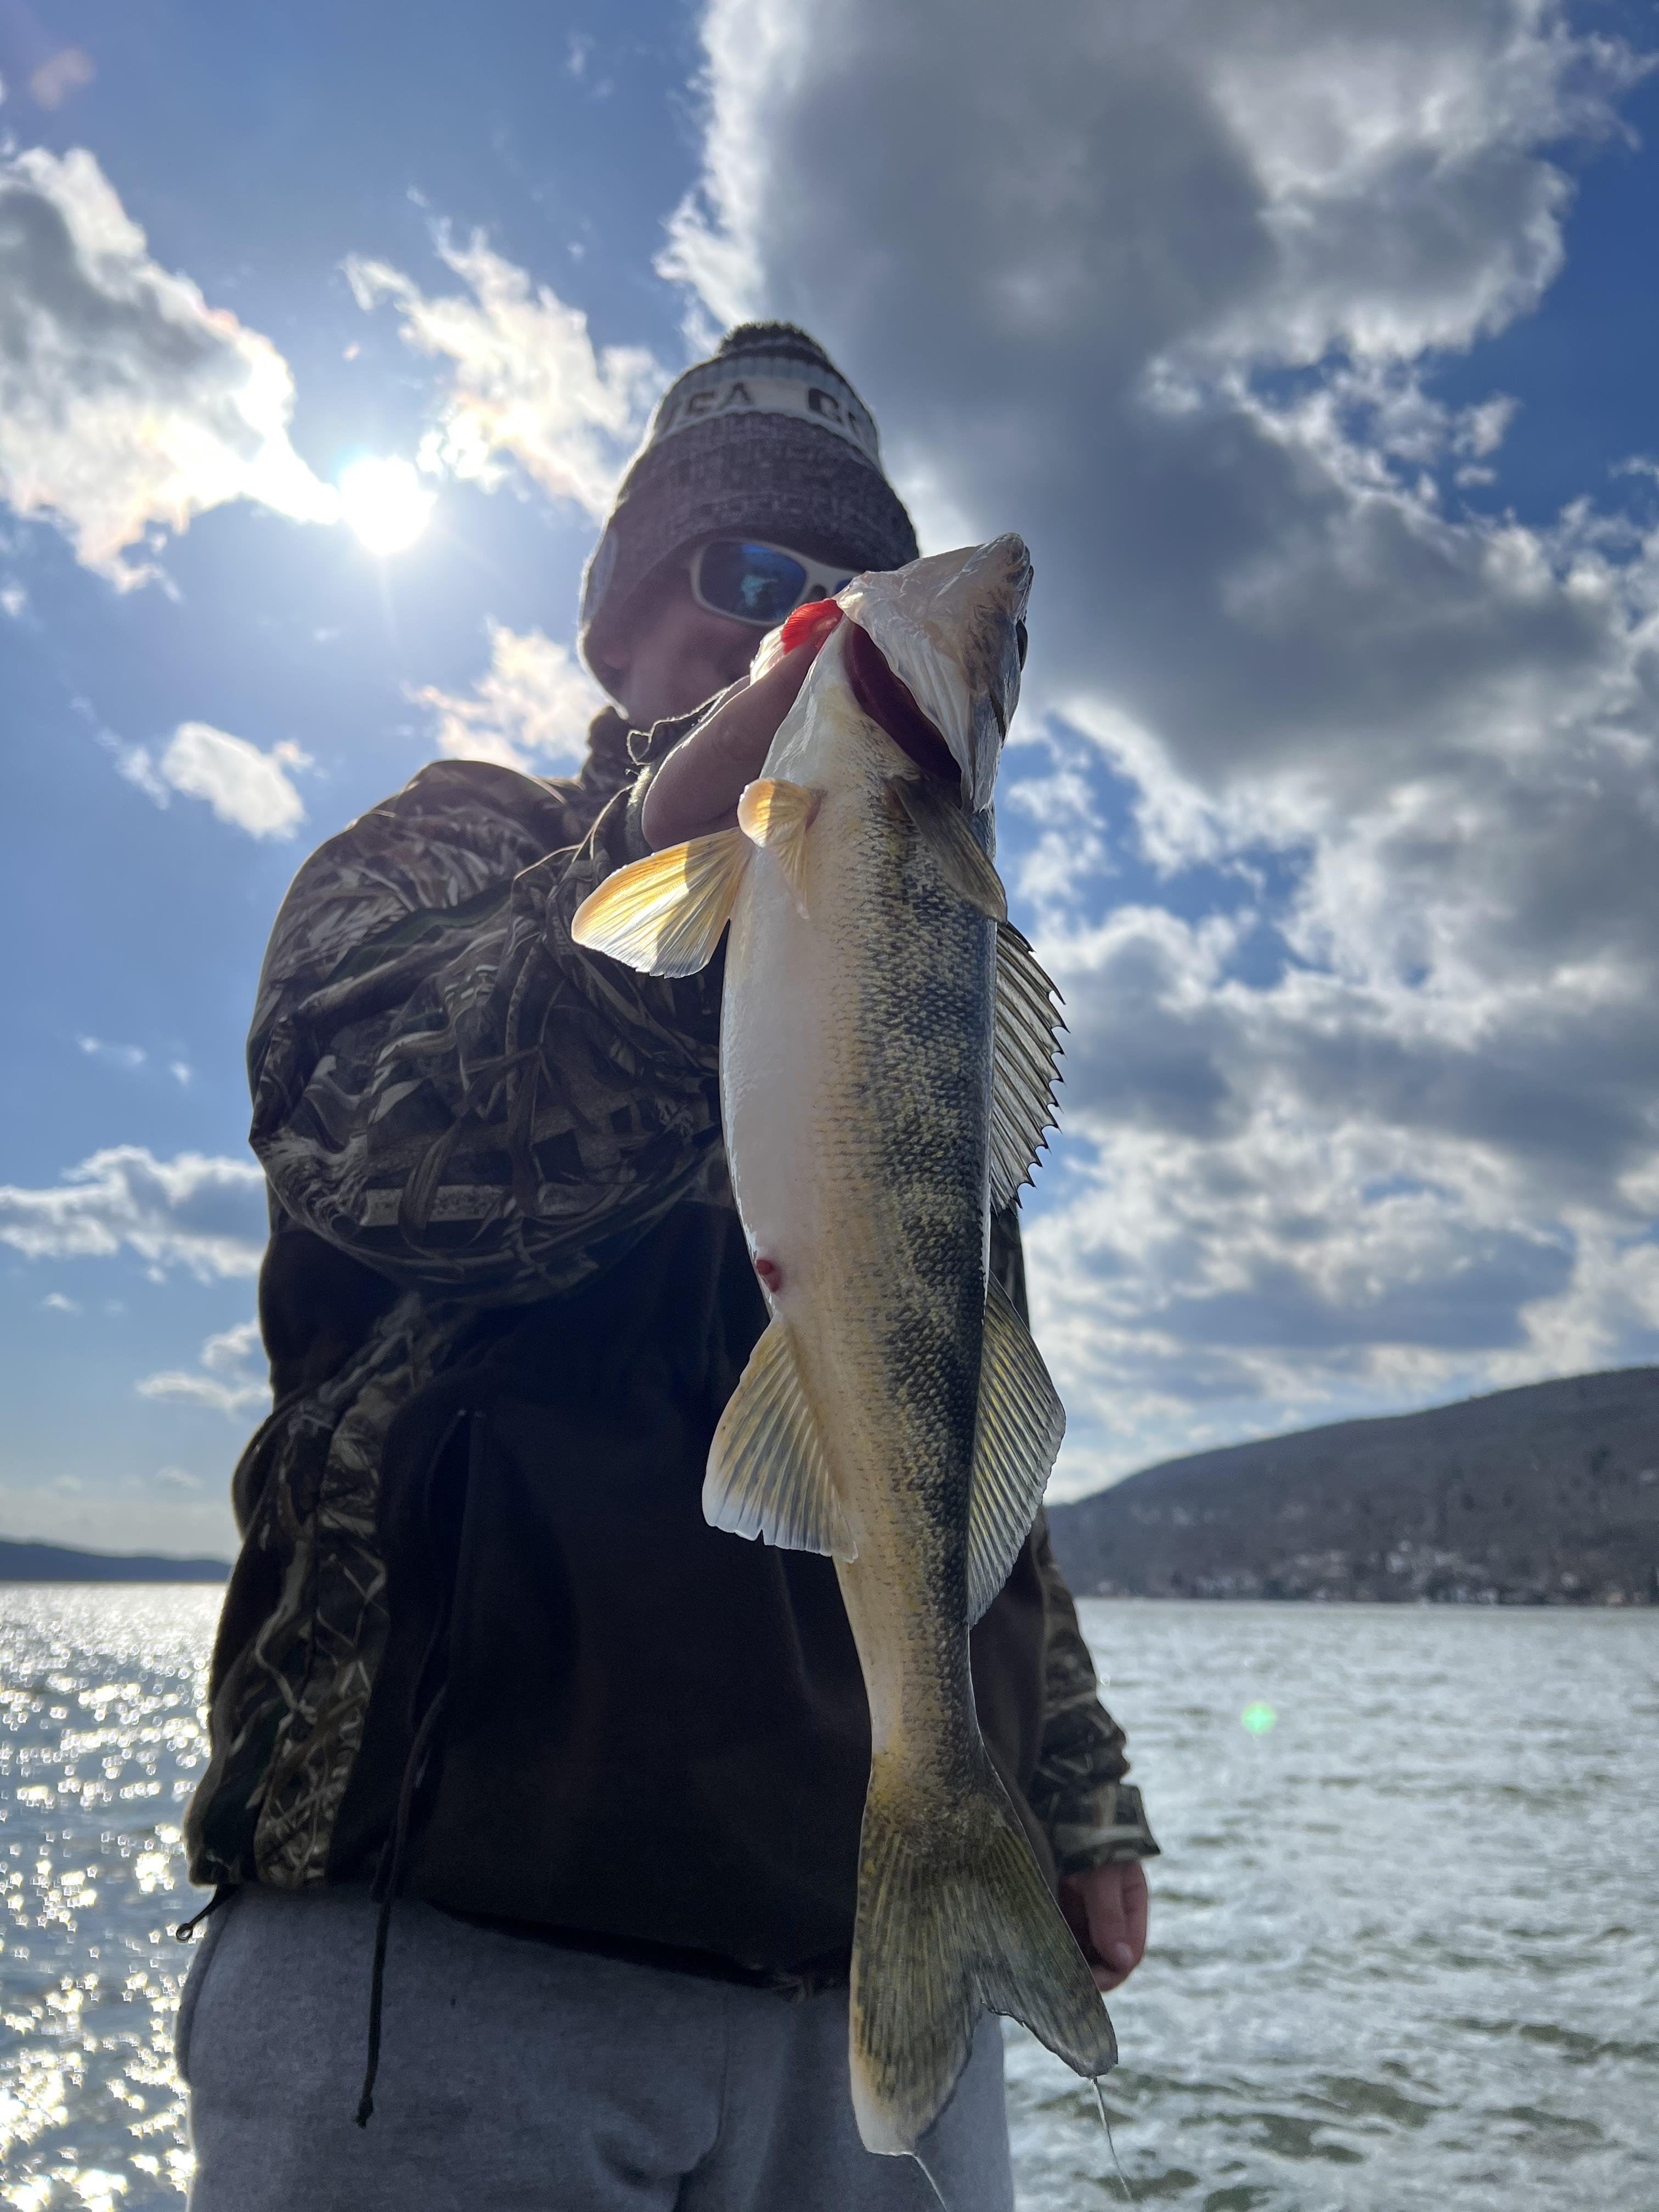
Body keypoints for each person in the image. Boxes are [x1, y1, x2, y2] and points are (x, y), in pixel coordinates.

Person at [174, 323, 1157, 2212]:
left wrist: (1075, 1783)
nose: (793, 612)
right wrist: (676, 852)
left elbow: (957, 1431)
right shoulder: (450, 854)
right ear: (618, 626)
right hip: (451, 1961)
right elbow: (382, 1146)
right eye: (744, 574)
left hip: (853, 1954)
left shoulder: (944, 998)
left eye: (845, 581)